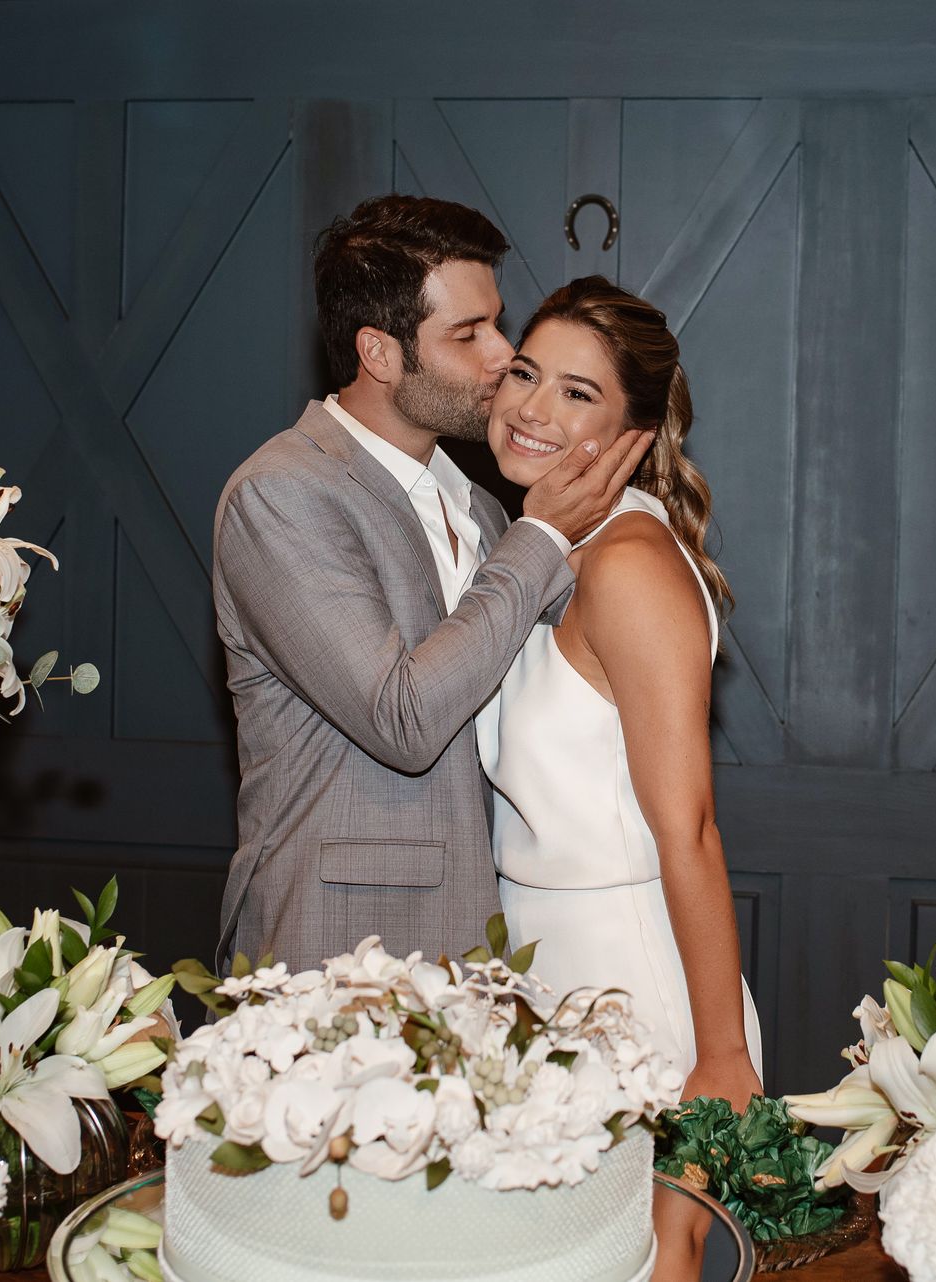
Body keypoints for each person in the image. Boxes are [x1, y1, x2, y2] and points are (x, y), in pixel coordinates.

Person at [210, 198, 653, 970]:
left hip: (481, 943)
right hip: (337, 949)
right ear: (379, 354)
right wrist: (544, 532)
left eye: (497, 322)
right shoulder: (280, 494)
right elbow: (403, 720)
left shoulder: (476, 500)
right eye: (467, 334)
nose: (503, 355)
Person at [477, 276, 763, 1110]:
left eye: (576, 393)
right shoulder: (540, 547)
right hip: (537, 963)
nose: (532, 409)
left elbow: (692, 829)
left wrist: (721, 1055)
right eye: (525, 373)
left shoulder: (629, 563)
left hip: (623, 975)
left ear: (632, 434)